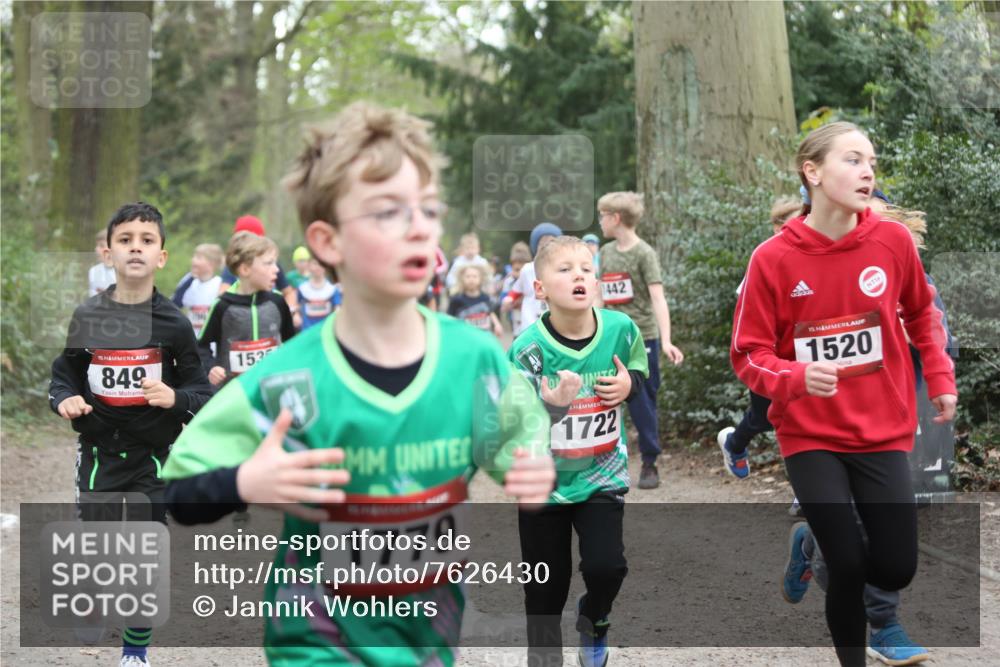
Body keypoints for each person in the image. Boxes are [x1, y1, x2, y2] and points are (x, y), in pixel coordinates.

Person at [162, 101, 556, 667]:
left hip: (426, 644)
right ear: (327, 242)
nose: (419, 226)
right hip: (316, 642)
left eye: (427, 209)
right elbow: (180, 494)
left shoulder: (473, 359)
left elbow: (523, 443)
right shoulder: (287, 378)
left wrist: (533, 468)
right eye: (388, 212)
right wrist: (246, 479)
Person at [731, 121, 956, 667]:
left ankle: (810, 545)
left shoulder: (892, 240)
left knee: (896, 565)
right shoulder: (773, 259)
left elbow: (922, 315)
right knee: (850, 567)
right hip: (809, 433)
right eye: (853, 159)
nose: (868, 171)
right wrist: (794, 378)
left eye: (871, 161)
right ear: (812, 172)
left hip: (882, 427)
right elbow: (748, 352)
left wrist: (942, 380)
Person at [49, 202, 213, 667]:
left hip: (153, 455)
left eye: (146, 240)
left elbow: (200, 391)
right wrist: (65, 399)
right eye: (125, 240)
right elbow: (64, 376)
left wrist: (175, 398)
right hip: (100, 451)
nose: (135, 247)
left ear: (162, 256)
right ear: (108, 253)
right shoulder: (88, 318)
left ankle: (135, 653)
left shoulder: (175, 324)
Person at [508, 236, 648, 667]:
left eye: (586, 268)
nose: (579, 276)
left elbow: (639, 370)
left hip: (600, 475)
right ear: (540, 289)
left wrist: (629, 386)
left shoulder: (621, 331)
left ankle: (594, 618)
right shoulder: (527, 351)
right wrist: (551, 407)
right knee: (545, 588)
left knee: (607, 568)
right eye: (565, 270)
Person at [597, 192, 684, 490]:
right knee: (604, 393)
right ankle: (603, 460)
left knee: (643, 397)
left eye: (602, 215)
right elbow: (600, 296)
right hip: (611, 337)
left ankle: (649, 462)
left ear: (616, 218)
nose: (600, 221)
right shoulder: (605, 253)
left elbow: (658, 298)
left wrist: (667, 340)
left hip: (643, 337)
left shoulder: (644, 253)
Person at [717, 196, 803, 478]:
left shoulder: (810, 260)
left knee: (804, 419)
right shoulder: (764, 261)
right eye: (792, 223)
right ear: (777, 227)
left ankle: (806, 492)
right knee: (765, 416)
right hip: (768, 357)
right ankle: (734, 442)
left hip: (803, 356)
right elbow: (746, 315)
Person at [198, 231, 296, 387]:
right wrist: (211, 367)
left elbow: (293, 344)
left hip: (272, 389)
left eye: (275, 263)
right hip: (233, 393)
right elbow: (201, 346)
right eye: (268, 263)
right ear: (245, 269)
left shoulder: (277, 302)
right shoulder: (223, 305)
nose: (276, 269)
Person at [217, 215, 300, 315]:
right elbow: (223, 292)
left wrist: (289, 310)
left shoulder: (273, 266)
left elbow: (288, 292)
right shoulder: (234, 264)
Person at [502, 222, 562, 337]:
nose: (546, 247)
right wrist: (509, 299)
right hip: (530, 322)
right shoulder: (527, 269)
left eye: (551, 243)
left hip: (554, 322)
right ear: (535, 247)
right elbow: (517, 290)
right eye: (542, 243)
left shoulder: (563, 269)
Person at [171, 243, 224, 338]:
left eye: (198, 258)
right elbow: (175, 303)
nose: (193, 260)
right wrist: (191, 278)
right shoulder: (189, 281)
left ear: (211, 264)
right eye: (194, 256)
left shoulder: (219, 284)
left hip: (212, 341)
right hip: (192, 339)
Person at [447, 263, 503, 337]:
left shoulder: (485, 298)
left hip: (483, 336)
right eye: (468, 276)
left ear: (481, 279)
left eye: (475, 276)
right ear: (462, 279)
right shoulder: (456, 299)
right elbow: (450, 318)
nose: (471, 279)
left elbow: (490, 312)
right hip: (465, 337)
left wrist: (497, 324)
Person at [296, 257, 341, 330]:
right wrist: (296, 315)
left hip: (326, 331)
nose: (318, 267)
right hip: (307, 331)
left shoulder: (332, 289)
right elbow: (297, 305)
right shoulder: (302, 288)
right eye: (315, 264)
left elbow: (337, 309)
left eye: (321, 264)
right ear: (309, 266)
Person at [500, 241, 532, 332]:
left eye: (523, 270)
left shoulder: (532, 279)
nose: (520, 274)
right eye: (517, 270)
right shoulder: (509, 281)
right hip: (514, 317)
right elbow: (504, 298)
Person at [88, 229, 116, 296]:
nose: (96, 249)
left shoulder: (124, 271)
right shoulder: (94, 271)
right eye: (97, 246)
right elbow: (93, 298)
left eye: (101, 246)